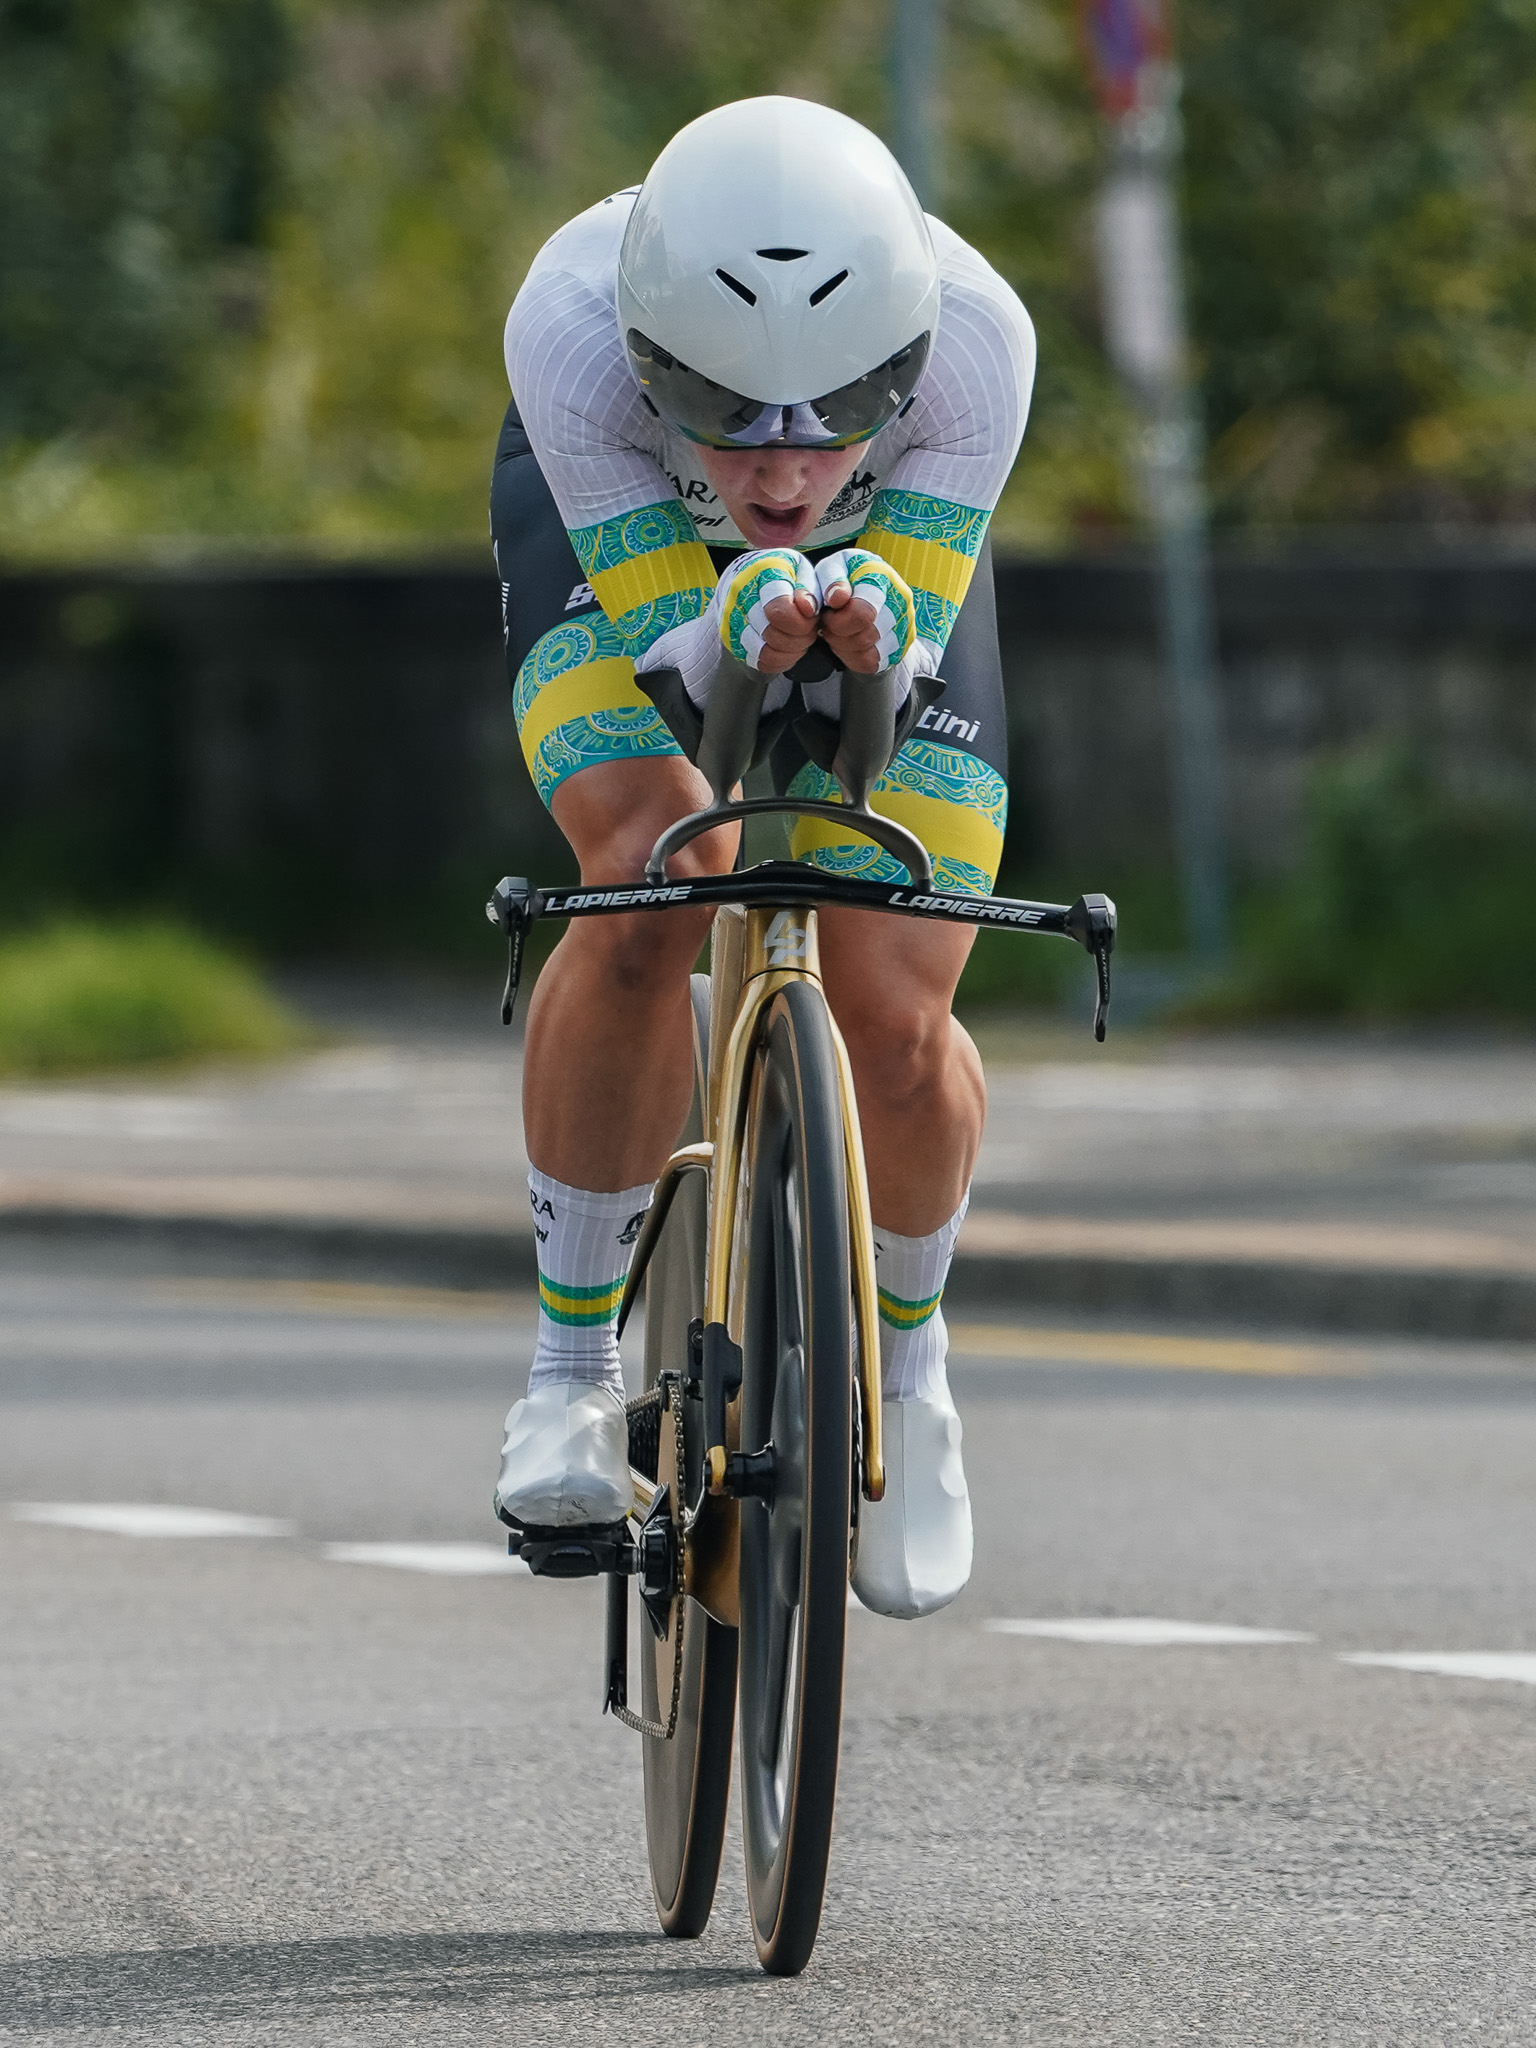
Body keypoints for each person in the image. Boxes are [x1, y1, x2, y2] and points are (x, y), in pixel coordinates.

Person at [489, 95, 1034, 1618]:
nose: (787, 466)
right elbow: (686, 678)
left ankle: (913, 1382)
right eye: (730, 409)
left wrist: (863, 640)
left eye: (842, 405)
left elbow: (881, 697)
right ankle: (567, 1378)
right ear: (658, 361)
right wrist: (726, 622)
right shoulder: (576, 329)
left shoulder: (981, 338)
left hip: (893, 575)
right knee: (648, 872)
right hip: (619, 539)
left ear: (909, 361)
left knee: (897, 983)